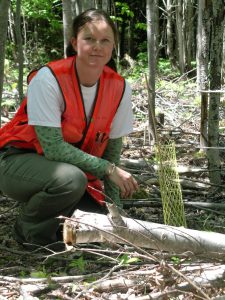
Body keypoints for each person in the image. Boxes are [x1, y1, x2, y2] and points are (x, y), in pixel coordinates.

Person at [0, 8, 139, 250]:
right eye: (89, 39)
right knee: (69, 181)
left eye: (105, 40)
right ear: (75, 43)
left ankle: (58, 224)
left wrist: (117, 215)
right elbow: (53, 148)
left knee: (96, 215)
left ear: (114, 46)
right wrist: (109, 169)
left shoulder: (119, 87)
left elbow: (111, 155)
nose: (97, 46)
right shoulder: (49, 78)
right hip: (14, 161)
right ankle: (30, 233)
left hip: (71, 169)